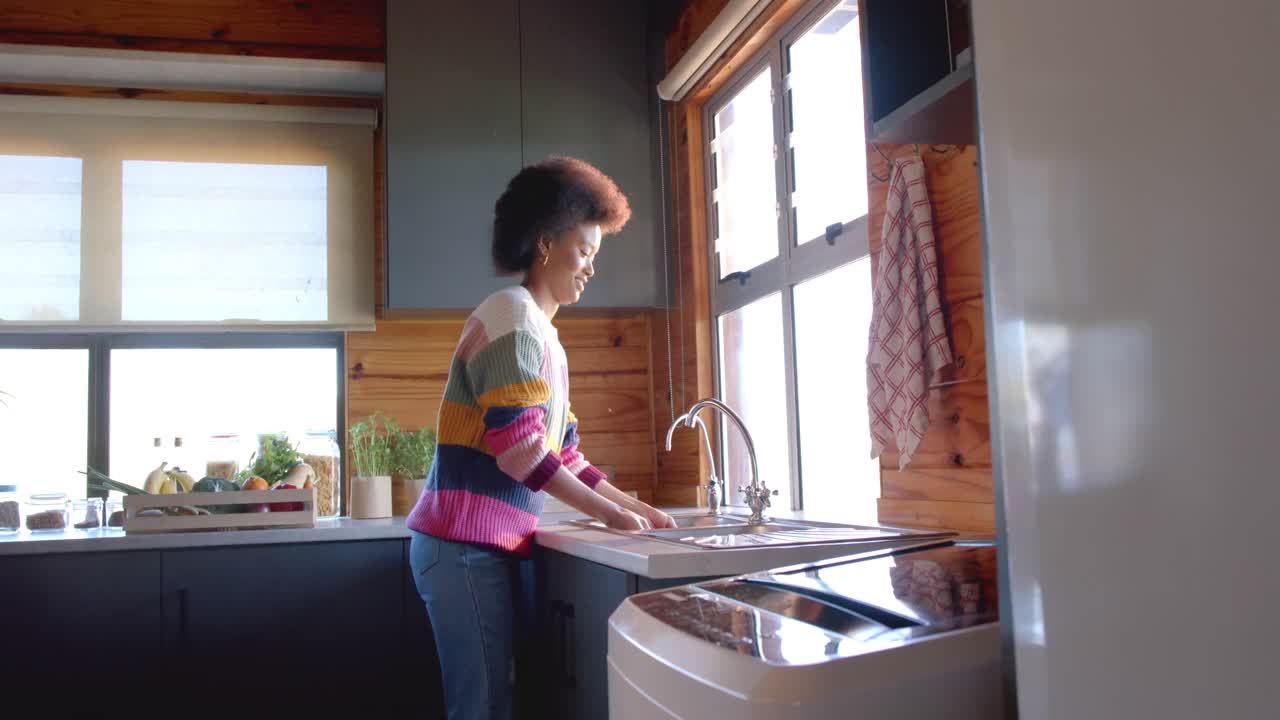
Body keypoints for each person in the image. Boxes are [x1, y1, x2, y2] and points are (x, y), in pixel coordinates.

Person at [406, 155, 677, 719]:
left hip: (476, 548)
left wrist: (633, 505)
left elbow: (562, 452)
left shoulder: (542, 335)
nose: (590, 268)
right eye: (584, 250)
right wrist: (608, 516)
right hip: (461, 547)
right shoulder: (512, 316)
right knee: (482, 706)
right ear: (546, 244)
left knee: (493, 701)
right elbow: (521, 451)